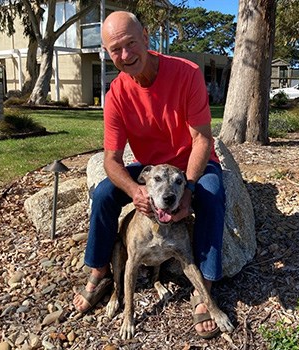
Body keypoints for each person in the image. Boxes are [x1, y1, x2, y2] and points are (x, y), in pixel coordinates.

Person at [73, 11, 226, 339]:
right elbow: (112, 160)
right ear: (108, 53)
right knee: (103, 194)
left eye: (130, 43)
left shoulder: (186, 73)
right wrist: (135, 190)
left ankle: (206, 291)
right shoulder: (116, 94)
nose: (125, 55)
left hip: (193, 164)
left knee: (211, 197)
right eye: (116, 50)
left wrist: (190, 187)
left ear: (146, 36)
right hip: (152, 171)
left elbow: (202, 138)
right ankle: (100, 269)